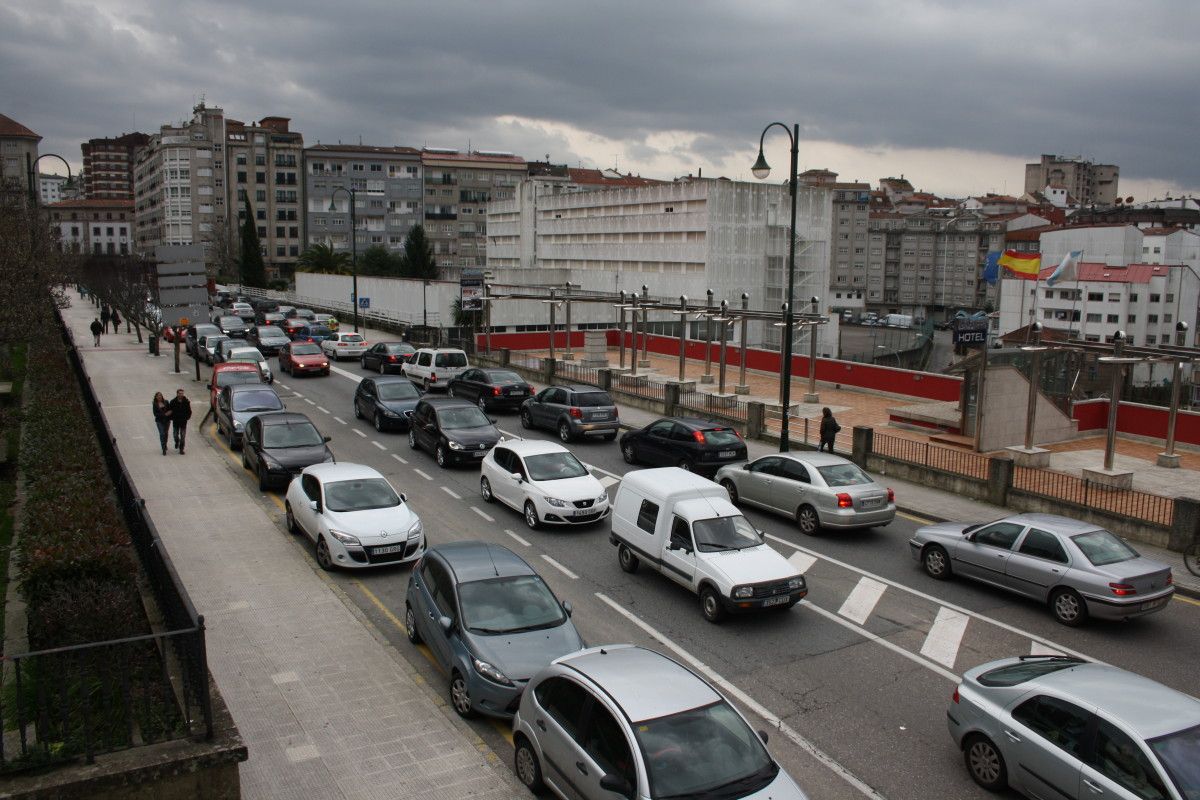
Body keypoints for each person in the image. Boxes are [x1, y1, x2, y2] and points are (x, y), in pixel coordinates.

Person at [168, 388, 192, 453]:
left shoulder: (186, 402)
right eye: (180, 393)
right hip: (176, 421)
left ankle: (181, 449)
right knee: (175, 435)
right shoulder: (173, 402)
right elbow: (170, 410)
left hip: (183, 422)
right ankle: (177, 442)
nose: (181, 395)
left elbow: (189, 411)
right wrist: (171, 418)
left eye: (182, 393)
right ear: (177, 394)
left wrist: (187, 417)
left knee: (183, 436)